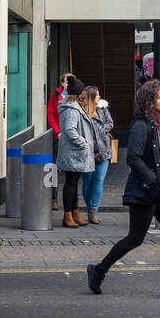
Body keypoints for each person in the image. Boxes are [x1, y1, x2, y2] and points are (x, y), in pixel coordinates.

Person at [87, 80, 160, 300]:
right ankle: (98, 270)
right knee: (135, 238)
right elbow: (133, 158)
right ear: (149, 101)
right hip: (146, 192)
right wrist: (153, 180)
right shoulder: (141, 126)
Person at [56, 77, 95, 228]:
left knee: (73, 182)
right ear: (79, 92)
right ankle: (68, 215)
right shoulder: (72, 109)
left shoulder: (72, 106)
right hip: (73, 151)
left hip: (73, 151)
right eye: (83, 90)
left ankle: (74, 212)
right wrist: (83, 143)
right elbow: (70, 130)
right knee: (71, 183)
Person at [80, 88, 114, 225]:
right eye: (97, 95)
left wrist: (99, 130)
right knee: (88, 181)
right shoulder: (81, 111)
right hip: (87, 152)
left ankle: (94, 210)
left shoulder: (103, 108)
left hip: (103, 149)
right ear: (91, 97)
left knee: (99, 180)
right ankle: (89, 208)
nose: (99, 97)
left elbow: (110, 123)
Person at [46, 73, 72, 211]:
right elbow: (50, 113)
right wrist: (57, 131)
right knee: (54, 168)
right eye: (67, 82)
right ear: (62, 83)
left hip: (71, 137)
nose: (69, 84)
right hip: (59, 136)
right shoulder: (55, 95)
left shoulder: (77, 95)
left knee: (70, 169)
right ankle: (53, 198)